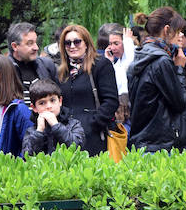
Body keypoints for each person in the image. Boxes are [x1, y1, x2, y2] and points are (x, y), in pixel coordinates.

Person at [127, 7, 186, 153]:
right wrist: (179, 68)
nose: (180, 37)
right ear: (167, 30)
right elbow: (180, 103)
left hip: (144, 142)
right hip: (162, 145)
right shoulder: (161, 61)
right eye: (178, 32)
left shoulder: (140, 54)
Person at [55, 25, 119, 155]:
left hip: (94, 136)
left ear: (86, 43)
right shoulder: (61, 71)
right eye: (67, 43)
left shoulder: (101, 65)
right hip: (67, 136)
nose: (72, 46)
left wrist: (93, 123)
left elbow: (111, 101)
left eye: (77, 41)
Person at [21, 79, 84, 156]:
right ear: (34, 108)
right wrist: (39, 131)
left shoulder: (74, 124)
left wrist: (56, 126)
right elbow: (27, 156)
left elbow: (77, 148)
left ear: (60, 101)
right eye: (42, 103)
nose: (48, 106)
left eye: (52, 100)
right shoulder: (31, 131)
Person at [5, 22, 58, 105]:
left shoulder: (47, 66)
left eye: (35, 42)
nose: (36, 48)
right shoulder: (3, 70)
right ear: (15, 46)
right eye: (30, 43)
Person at [103, 26, 136, 95]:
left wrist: (128, 42)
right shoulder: (118, 63)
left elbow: (130, 64)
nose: (112, 48)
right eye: (110, 44)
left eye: (116, 44)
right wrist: (109, 62)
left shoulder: (135, 56)